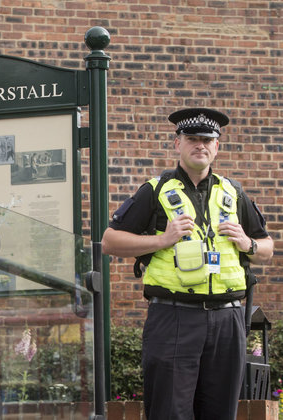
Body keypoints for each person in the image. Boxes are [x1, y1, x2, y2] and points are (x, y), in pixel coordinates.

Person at [102, 107, 273, 420]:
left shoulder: (233, 193)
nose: (201, 145)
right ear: (177, 143)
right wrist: (161, 241)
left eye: (208, 140)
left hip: (228, 319)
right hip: (174, 315)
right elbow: (110, 241)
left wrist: (247, 243)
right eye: (192, 138)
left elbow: (266, 248)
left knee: (221, 412)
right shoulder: (155, 191)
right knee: (170, 411)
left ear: (217, 146)